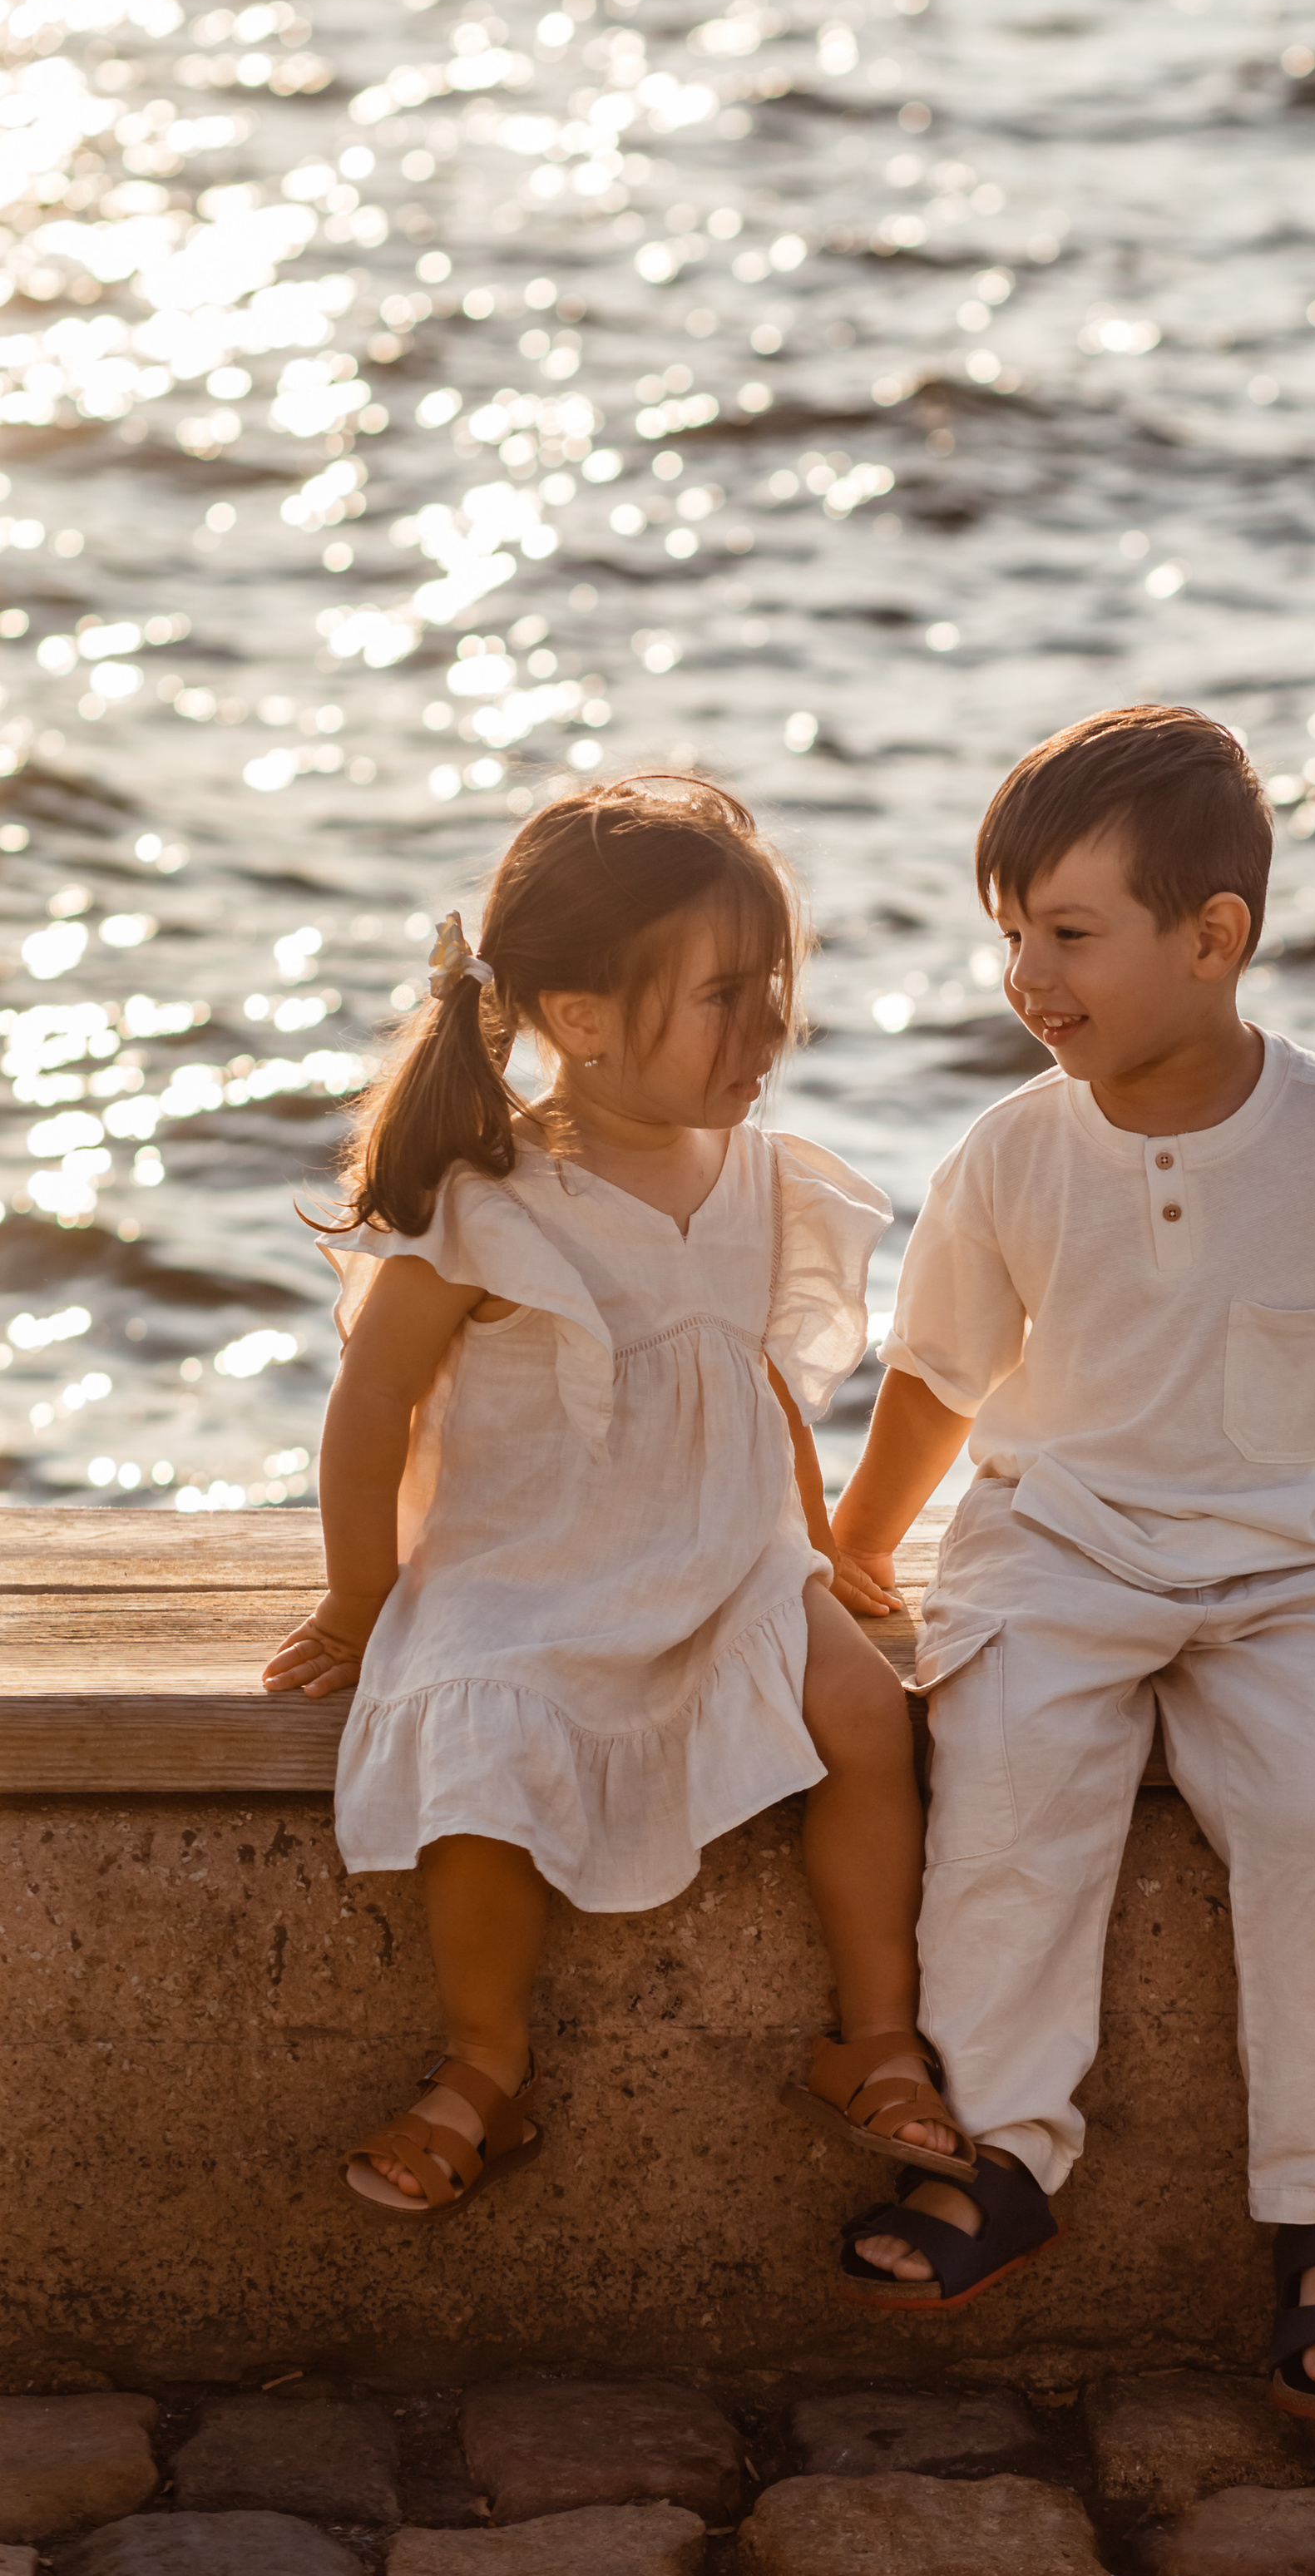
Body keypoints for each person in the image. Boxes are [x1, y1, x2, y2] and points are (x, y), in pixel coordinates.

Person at [828, 705, 1315, 2417]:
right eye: (1008, 933)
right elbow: (932, 1378)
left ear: (1211, 939)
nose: (1027, 974)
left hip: (1292, 1572)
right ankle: (1002, 2154)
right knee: (1004, 1796)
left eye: (1067, 935)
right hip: (1054, 1551)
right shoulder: (1008, 1152)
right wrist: (854, 1547)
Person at [262, 771, 973, 2219]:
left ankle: (880, 2039)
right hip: (528, 1568)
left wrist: (825, 1546)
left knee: (863, 1716)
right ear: (579, 1019)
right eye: (724, 994)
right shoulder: (494, 1201)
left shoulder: (765, 1180)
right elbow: (373, 1405)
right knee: (480, 1742)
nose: (768, 1024)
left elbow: (760, 1383)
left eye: (773, 983)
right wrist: (358, 1601)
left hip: (728, 1557)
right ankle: (484, 2066)